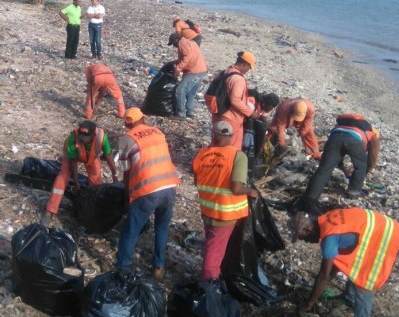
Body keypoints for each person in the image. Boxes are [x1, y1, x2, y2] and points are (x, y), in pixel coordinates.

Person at [290, 207, 399, 317]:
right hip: (392, 230)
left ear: (307, 230)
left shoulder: (330, 237)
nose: (305, 241)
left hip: (392, 241)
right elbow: (335, 264)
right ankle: (349, 297)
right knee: (352, 264)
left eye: (302, 237)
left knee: (363, 281)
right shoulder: (328, 218)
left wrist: (309, 303)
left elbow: (325, 275)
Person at [115, 108, 180, 280]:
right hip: (170, 185)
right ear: (143, 119)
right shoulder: (158, 132)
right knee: (161, 228)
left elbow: (126, 172)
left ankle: (122, 269)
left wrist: (128, 196)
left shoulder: (126, 139)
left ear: (126, 123)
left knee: (131, 230)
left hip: (148, 190)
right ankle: (158, 268)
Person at [193, 121, 259, 280]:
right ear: (231, 136)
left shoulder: (201, 154)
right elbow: (236, 188)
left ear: (214, 135)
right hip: (225, 214)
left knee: (212, 245)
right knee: (214, 252)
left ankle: (211, 275)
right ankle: (208, 284)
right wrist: (251, 191)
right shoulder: (238, 156)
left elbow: (197, 180)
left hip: (207, 209)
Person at [40, 121, 118, 226]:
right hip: (72, 156)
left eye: (85, 137)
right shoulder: (73, 138)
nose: (82, 139)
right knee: (62, 177)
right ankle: (50, 210)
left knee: (96, 183)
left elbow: (108, 156)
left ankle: (90, 212)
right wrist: (76, 183)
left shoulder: (101, 137)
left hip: (91, 157)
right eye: (81, 135)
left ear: (93, 135)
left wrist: (115, 175)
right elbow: (73, 162)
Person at [304, 114, 380, 201]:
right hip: (353, 140)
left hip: (334, 137)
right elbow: (371, 159)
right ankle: (353, 192)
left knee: (324, 168)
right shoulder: (373, 135)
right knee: (361, 166)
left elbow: (337, 158)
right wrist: (364, 173)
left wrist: (343, 168)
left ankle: (311, 196)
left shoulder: (346, 125)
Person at [207, 51, 260, 149]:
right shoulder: (238, 79)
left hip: (218, 113)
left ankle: (211, 162)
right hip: (231, 118)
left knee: (217, 142)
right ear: (244, 64)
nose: (248, 70)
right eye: (249, 67)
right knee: (230, 147)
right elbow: (235, 100)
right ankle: (226, 164)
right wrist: (250, 113)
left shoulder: (225, 72)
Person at [167, 32, 207, 119]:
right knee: (191, 93)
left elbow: (187, 56)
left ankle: (181, 114)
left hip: (194, 72)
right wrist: (177, 63)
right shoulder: (190, 42)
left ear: (176, 40)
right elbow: (187, 56)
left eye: (174, 44)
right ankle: (190, 112)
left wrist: (178, 69)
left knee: (180, 90)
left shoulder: (182, 43)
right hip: (201, 70)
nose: (174, 46)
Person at [242, 89, 280, 161]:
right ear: (266, 104)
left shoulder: (263, 107)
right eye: (271, 108)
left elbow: (263, 118)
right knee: (260, 129)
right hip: (241, 124)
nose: (270, 110)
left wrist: (270, 128)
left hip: (247, 125)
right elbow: (248, 115)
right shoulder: (252, 102)